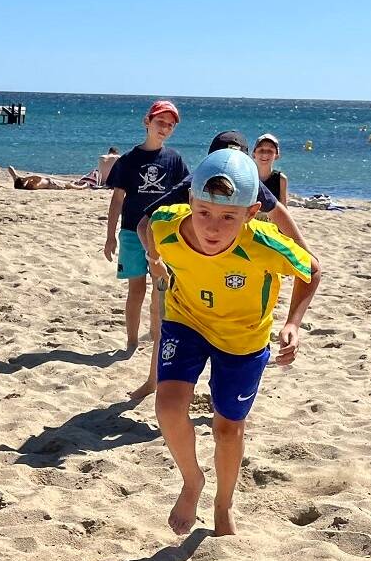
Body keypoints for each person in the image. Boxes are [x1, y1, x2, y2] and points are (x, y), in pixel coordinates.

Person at [148, 149, 321, 537]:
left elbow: (311, 270)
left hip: (242, 339)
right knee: (168, 407)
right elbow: (149, 225)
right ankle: (192, 482)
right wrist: (154, 260)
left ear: (251, 212)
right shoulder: (167, 225)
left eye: (228, 217)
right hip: (186, 320)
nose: (212, 226)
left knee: (227, 428)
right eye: (204, 212)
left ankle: (223, 504)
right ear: (190, 201)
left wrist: (293, 322)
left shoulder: (263, 244)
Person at [133, 130, 313, 400]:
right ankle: (153, 381)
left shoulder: (245, 182)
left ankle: (222, 399)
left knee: (230, 340)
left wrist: (304, 251)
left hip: (236, 266)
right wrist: (156, 260)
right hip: (183, 272)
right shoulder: (195, 184)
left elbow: (278, 211)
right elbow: (146, 222)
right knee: (164, 322)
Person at [103, 99, 187, 357]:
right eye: (160, 122)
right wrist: (110, 237)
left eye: (170, 125)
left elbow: (184, 197)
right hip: (130, 231)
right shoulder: (128, 160)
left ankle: (156, 334)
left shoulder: (174, 159)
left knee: (160, 288)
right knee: (136, 289)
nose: (165, 128)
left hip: (161, 233)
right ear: (147, 122)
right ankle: (131, 341)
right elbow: (117, 200)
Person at [253, 133, 287, 206]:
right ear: (253, 154)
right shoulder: (248, 176)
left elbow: (283, 206)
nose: (265, 154)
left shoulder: (281, 179)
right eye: (261, 150)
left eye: (270, 151)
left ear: (277, 156)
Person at [6, 165, 97, 191]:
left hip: (51, 182)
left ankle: (79, 184)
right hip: (52, 184)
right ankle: (84, 186)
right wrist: (26, 178)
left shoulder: (20, 183)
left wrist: (17, 176)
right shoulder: (33, 184)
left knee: (69, 183)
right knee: (69, 185)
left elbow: (10, 168)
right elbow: (37, 177)